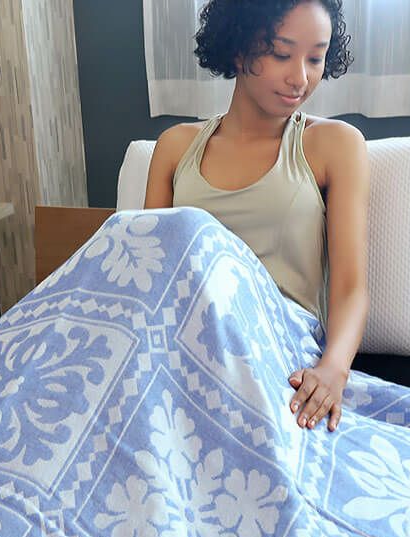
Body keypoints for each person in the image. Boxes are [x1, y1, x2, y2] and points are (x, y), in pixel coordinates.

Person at [144, 0, 369, 433]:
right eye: (282, 54)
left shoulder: (335, 145)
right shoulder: (175, 147)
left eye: (315, 58)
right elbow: (148, 272)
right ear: (238, 49)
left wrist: (333, 370)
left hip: (279, 354)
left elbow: (350, 286)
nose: (300, 78)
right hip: (180, 346)